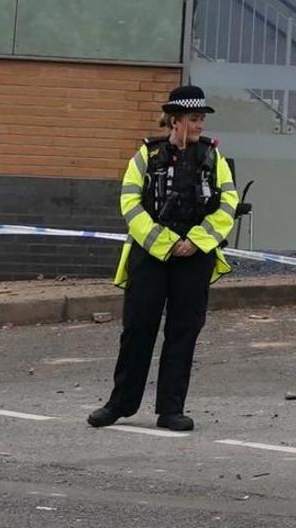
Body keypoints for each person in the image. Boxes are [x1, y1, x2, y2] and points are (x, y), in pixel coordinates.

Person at [89, 83, 241, 431]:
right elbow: (130, 204)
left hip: (195, 256)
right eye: (193, 118)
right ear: (174, 120)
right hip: (151, 256)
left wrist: (195, 241)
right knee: (137, 329)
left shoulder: (212, 157)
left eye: (202, 118)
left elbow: (227, 204)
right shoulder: (146, 156)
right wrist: (167, 243)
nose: (200, 125)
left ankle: (171, 409)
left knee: (183, 332)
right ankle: (120, 404)